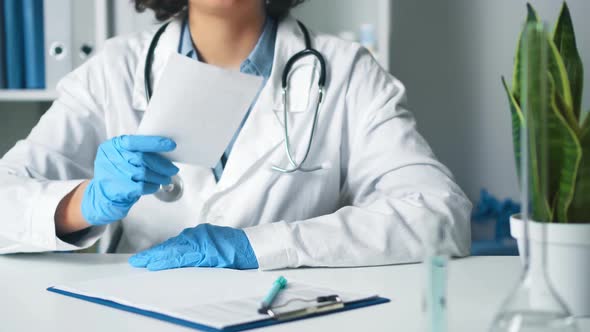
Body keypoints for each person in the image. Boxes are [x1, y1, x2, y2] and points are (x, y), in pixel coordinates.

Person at [0, 0, 471, 271]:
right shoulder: (113, 70)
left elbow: (438, 216)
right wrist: (85, 201)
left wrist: (259, 246)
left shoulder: (346, 72)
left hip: (286, 315)